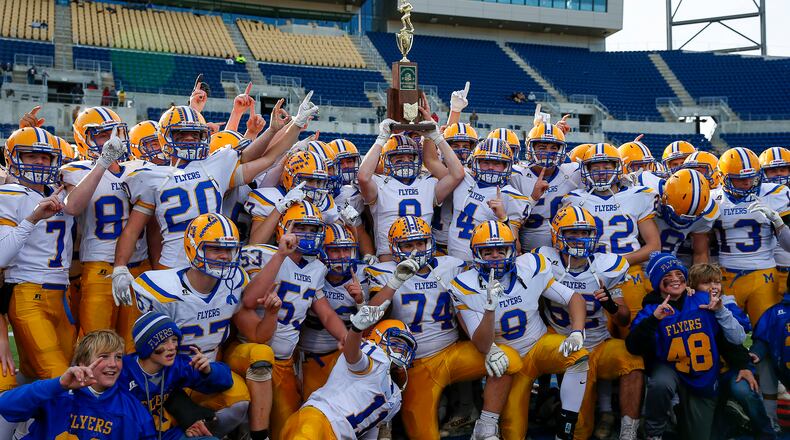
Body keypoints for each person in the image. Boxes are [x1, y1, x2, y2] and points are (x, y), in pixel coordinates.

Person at [365, 215, 521, 439]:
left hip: (451, 353)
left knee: (508, 359)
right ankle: (385, 420)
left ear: (430, 242)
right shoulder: (383, 272)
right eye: (408, 244)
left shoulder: (452, 265)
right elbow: (370, 318)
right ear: (395, 247)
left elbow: (467, 306)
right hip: (415, 366)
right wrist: (394, 284)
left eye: (420, 243)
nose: (416, 250)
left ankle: (485, 426)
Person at [133, 213, 280, 440]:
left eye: (229, 249)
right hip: (172, 378)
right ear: (193, 249)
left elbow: (257, 336)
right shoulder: (160, 289)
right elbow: (142, 357)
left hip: (211, 371)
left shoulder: (234, 282)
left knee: (245, 388)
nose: (224, 256)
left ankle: (256, 436)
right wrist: (181, 406)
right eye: (215, 249)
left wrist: (271, 314)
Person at [449, 220, 590, 439]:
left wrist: (576, 331)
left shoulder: (531, 266)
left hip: (539, 346)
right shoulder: (464, 285)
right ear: (476, 254)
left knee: (578, 355)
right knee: (513, 433)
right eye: (488, 251)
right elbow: (482, 344)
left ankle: (565, 427)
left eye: (501, 249)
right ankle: (488, 425)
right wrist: (489, 309)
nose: (496, 256)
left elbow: (573, 297)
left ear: (512, 250)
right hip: (509, 364)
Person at [538, 206, 644, 440]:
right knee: (578, 431)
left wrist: (612, 307)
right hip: (567, 350)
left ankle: (629, 429)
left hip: (600, 343)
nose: (579, 239)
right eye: (572, 233)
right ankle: (553, 404)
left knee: (633, 360)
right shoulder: (544, 261)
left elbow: (624, 317)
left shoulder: (606, 266)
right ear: (557, 235)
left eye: (585, 233)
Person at [625, 252, 756, 439]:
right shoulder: (651, 309)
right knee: (660, 383)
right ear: (656, 281)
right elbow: (633, 346)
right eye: (667, 276)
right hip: (671, 368)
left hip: (702, 372)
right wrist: (654, 319)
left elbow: (731, 338)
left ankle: (723, 409)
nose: (675, 279)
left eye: (679, 274)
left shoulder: (704, 300)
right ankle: (654, 432)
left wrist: (743, 361)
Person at [62, 106, 146, 350]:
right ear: (83, 138)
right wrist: (102, 163)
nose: (111, 139)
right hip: (100, 268)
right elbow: (72, 206)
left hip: (139, 266)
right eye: (101, 134)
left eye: (115, 131)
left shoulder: (137, 167)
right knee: (97, 346)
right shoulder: (76, 170)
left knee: (134, 346)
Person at [0, 127, 76, 380]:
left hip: (61, 295)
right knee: (60, 377)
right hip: (27, 293)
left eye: (46, 157)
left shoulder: (61, 192)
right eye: (32, 156)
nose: (41, 162)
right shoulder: (8, 194)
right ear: (12, 158)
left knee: (43, 373)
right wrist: (32, 218)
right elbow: (1, 256)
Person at [564, 143, 661, 333]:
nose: (602, 172)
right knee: (592, 330)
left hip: (628, 271)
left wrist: (617, 262)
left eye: (607, 167)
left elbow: (653, 245)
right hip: (588, 272)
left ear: (618, 168)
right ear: (586, 171)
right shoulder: (574, 199)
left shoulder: (638, 195)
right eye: (596, 168)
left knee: (632, 330)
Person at [0, 329, 157, 439]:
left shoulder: (131, 408)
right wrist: (58, 384)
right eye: (104, 356)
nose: (113, 364)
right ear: (83, 362)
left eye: (118, 357)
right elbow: (5, 405)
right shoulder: (58, 393)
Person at [281, 316, 415, 439]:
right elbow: (353, 356)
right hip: (318, 420)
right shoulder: (373, 355)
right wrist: (356, 329)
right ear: (377, 336)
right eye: (396, 342)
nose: (401, 349)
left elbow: (371, 428)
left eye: (406, 347)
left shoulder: (396, 395)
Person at [358, 119, 464, 260]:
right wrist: (382, 138)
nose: (406, 162)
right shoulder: (380, 183)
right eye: (399, 158)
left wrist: (436, 138)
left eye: (410, 157)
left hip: (423, 255)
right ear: (386, 160)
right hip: (390, 256)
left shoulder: (427, 183)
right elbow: (363, 177)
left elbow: (458, 174)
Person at [120, 312, 234, 440]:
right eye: (163, 342)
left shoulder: (177, 366)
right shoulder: (123, 371)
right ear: (146, 346)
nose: (172, 347)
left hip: (167, 434)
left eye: (174, 340)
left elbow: (227, 381)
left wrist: (209, 370)